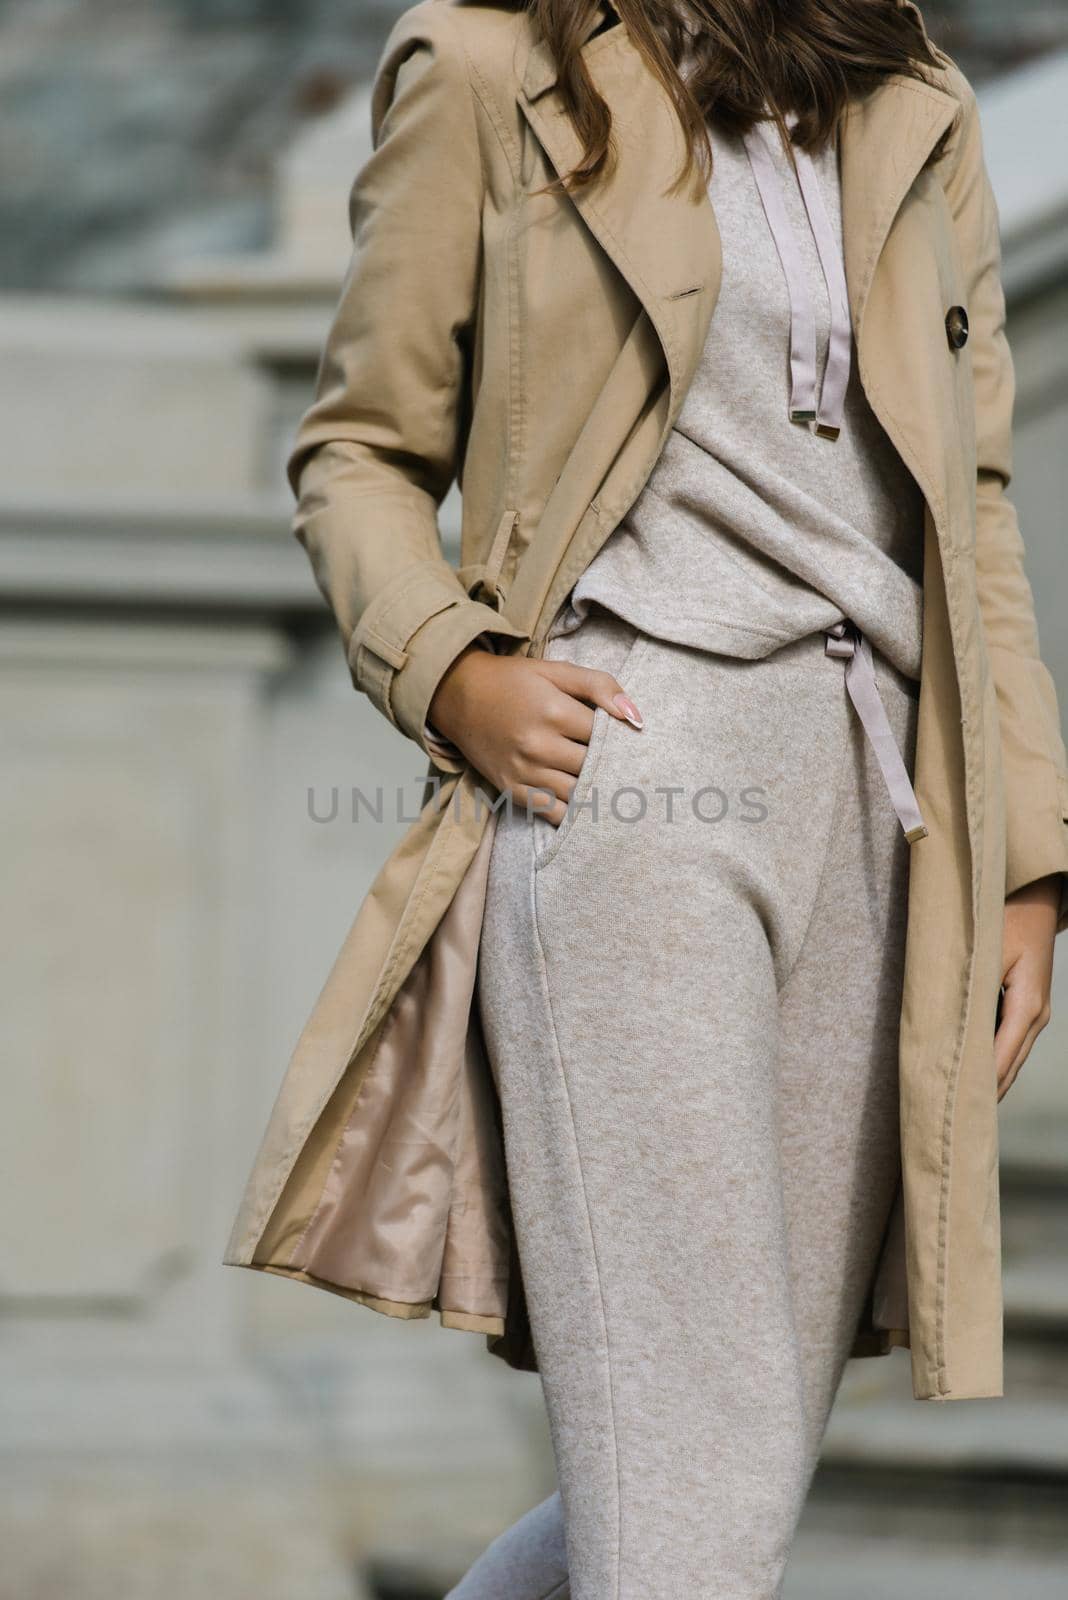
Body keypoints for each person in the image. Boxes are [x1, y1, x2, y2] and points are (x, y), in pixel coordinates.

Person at [225, 4, 1068, 1596]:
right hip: (637, 778)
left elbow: (975, 506)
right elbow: (356, 452)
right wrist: (456, 670)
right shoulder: (488, 64)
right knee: (699, 1453)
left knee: (717, 1468)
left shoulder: (907, 88)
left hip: (879, 801)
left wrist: (1028, 859)